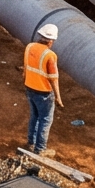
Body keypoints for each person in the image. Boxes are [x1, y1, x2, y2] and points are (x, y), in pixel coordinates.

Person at [23, 23, 63, 154]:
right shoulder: (50, 55)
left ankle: (30, 143)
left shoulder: (29, 47)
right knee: (45, 120)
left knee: (34, 116)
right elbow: (53, 79)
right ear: (51, 41)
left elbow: (25, 69)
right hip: (44, 93)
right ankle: (40, 149)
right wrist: (58, 97)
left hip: (29, 88)